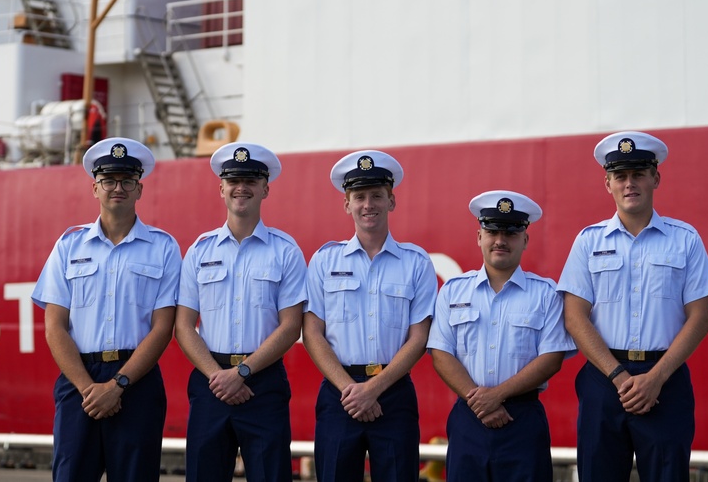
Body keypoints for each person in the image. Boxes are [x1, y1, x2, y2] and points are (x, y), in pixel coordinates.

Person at [557, 131, 708, 482]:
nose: (629, 184)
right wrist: (618, 376)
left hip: (666, 381)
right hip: (603, 380)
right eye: (620, 176)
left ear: (655, 178)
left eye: (638, 174)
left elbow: (700, 317)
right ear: (608, 183)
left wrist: (656, 378)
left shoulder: (685, 240)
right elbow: (574, 315)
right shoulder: (588, 242)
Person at [31, 137, 182, 482]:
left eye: (127, 181)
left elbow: (163, 328)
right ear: (94, 188)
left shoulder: (163, 248)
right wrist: (89, 388)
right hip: (78, 383)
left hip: (136, 383)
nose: (118, 188)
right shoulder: (69, 246)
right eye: (109, 181)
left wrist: (118, 385)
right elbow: (55, 326)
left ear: (139, 189)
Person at [174, 142, 307, 482]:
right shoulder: (199, 251)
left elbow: (291, 326)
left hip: (263, 383)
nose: (241, 188)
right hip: (210, 381)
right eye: (234, 180)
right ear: (221, 188)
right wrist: (218, 377)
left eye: (251, 180)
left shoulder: (285, 251)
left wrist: (243, 372)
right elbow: (185, 326)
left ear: (265, 188)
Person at [303, 150, 437, 482]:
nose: (368, 204)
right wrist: (353, 390)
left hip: (393, 394)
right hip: (339, 394)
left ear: (391, 201)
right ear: (346, 204)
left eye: (376, 195)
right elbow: (313, 333)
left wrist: (374, 388)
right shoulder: (324, 261)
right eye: (359, 196)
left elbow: (419, 337)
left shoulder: (416, 262)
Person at [427, 190, 574, 482]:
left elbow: (552, 358)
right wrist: (480, 402)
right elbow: (441, 354)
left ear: (525, 240)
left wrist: (496, 396)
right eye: (492, 231)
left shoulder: (545, 294)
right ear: (479, 236)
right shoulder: (454, 290)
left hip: (522, 419)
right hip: (468, 418)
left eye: (511, 232)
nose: (500, 240)